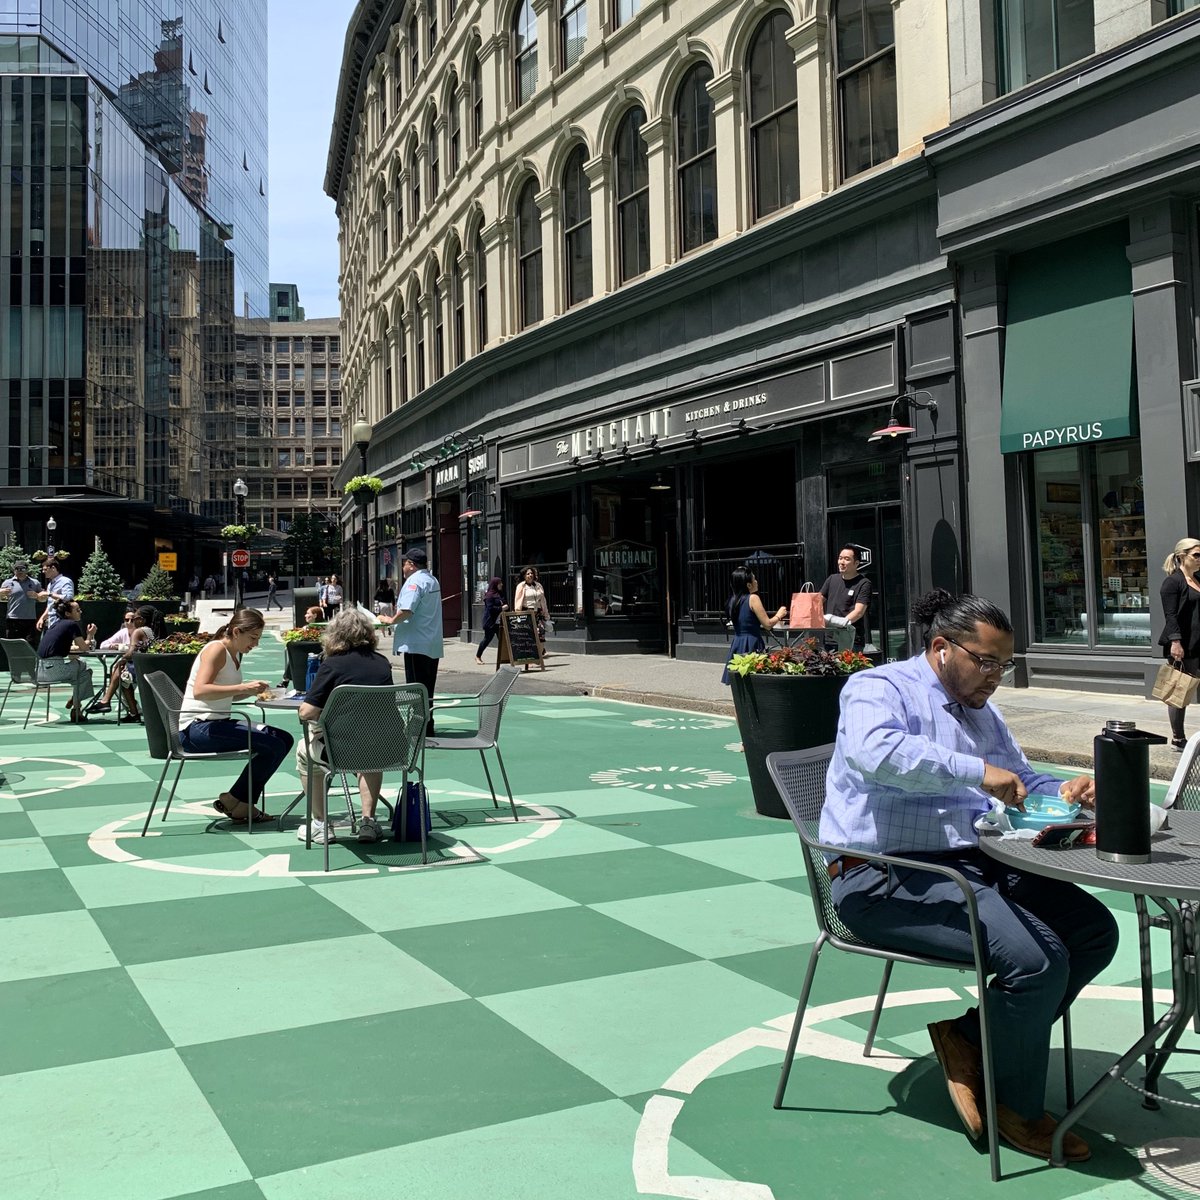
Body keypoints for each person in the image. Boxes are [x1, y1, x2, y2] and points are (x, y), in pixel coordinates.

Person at [820, 589, 1118, 1162]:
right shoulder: (878, 688)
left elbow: (1021, 778)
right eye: (986, 662)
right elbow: (875, 753)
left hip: (976, 863)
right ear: (940, 648)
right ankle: (1016, 1103)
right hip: (883, 876)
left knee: (1093, 931)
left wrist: (1063, 787)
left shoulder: (984, 708)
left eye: (1004, 665)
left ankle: (970, 1037)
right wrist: (978, 772)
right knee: (1035, 961)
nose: (996, 678)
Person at [177, 608, 294, 824]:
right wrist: (243, 686)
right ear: (237, 632)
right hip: (197, 728)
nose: (255, 644)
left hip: (214, 724)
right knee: (274, 744)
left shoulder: (232, 652)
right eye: (253, 638)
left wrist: (249, 692)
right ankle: (238, 802)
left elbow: (222, 693)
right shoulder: (216, 650)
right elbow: (201, 691)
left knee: (284, 739)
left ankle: (238, 801)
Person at [294, 608, 395, 846]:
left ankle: (319, 823)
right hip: (386, 747)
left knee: (304, 751)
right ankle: (368, 821)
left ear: (335, 635)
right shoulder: (382, 664)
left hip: (339, 750)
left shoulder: (333, 665)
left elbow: (306, 712)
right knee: (369, 755)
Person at [380, 548, 442, 734]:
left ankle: (419, 726)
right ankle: (427, 724)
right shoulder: (432, 580)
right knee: (427, 688)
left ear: (411, 565)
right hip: (431, 641)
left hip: (416, 643)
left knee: (416, 689)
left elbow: (407, 609)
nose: (403, 567)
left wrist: (389, 620)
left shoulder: (413, 582)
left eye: (405, 563)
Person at [1158, 536, 1200, 750]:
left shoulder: (1198, 580)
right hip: (1185, 646)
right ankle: (1178, 737)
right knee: (1179, 692)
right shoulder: (1173, 582)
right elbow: (1171, 615)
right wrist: (1176, 642)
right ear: (1182, 557)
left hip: (1199, 643)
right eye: (1196, 555)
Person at [721, 567, 786, 685]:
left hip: (737, 642)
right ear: (748, 585)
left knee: (740, 681)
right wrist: (779, 615)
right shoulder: (753, 598)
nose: (756, 582)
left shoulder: (732, 600)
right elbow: (767, 624)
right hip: (752, 642)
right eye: (754, 579)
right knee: (755, 681)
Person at [36, 597, 97, 721]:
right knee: (85, 669)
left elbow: (61, 646)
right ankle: (76, 704)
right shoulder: (71, 624)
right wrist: (91, 635)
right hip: (53, 670)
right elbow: (84, 648)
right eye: (77, 610)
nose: (80, 612)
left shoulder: (55, 625)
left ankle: (77, 706)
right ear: (68, 613)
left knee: (80, 674)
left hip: (38, 671)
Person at [92, 607, 155, 717]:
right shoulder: (152, 630)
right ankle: (133, 712)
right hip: (152, 666)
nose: (132, 621)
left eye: (135, 618)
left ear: (141, 620)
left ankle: (105, 701)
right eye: (128, 619)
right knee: (124, 676)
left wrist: (123, 659)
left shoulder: (138, 631)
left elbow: (130, 653)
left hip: (143, 669)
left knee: (120, 669)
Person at [819, 544, 873, 649]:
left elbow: (859, 612)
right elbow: (818, 602)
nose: (842, 562)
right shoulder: (832, 579)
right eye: (840, 558)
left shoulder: (864, 583)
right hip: (830, 638)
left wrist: (841, 624)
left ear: (856, 563)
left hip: (851, 640)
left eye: (847, 559)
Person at [278, 605, 325, 688]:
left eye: (308, 613)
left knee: (296, 656)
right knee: (295, 656)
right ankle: (286, 680)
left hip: (321, 653)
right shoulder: (305, 628)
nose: (305, 615)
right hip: (306, 652)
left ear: (315, 615)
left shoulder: (325, 627)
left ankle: (285, 680)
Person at [514, 566, 550, 670]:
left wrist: (546, 613)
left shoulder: (538, 585)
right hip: (526, 613)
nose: (530, 575)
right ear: (524, 576)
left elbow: (543, 600)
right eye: (528, 574)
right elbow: (517, 601)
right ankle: (529, 660)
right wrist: (518, 615)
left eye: (531, 573)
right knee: (528, 637)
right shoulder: (521, 586)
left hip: (538, 613)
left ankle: (538, 656)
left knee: (541, 635)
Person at [1, 560, 41, 645]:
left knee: (30, 646)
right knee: (13, 647)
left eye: (22, 569)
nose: (19, 571)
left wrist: (37, 595)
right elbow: (2, 599)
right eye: (17, 569)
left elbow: (43, 599)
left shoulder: (35, 583)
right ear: (14, 570)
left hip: (30, 620)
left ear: (26, 570)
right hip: (13, 620)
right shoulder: (7, 583)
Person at [35, 556, 74, 632]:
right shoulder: (50, 584)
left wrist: (49, 594)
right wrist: (42, 618)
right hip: (51, 621)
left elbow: (69, 598)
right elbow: (51, 604)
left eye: (45, 569)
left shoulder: (65, 581)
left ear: (53, 568)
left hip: (62, 620)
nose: (43, 572)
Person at [476, 578, 507, 664]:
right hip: (490, 622)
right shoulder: (489, 595)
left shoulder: (500, 594)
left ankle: (505, 657)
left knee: (502, 639)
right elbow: (490, 608)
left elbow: (503, 602)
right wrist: (501, 608)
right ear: (495, 584)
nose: (501, 585)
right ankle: (478, 656)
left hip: (499, 621)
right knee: (487, 639)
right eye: (499, 583)